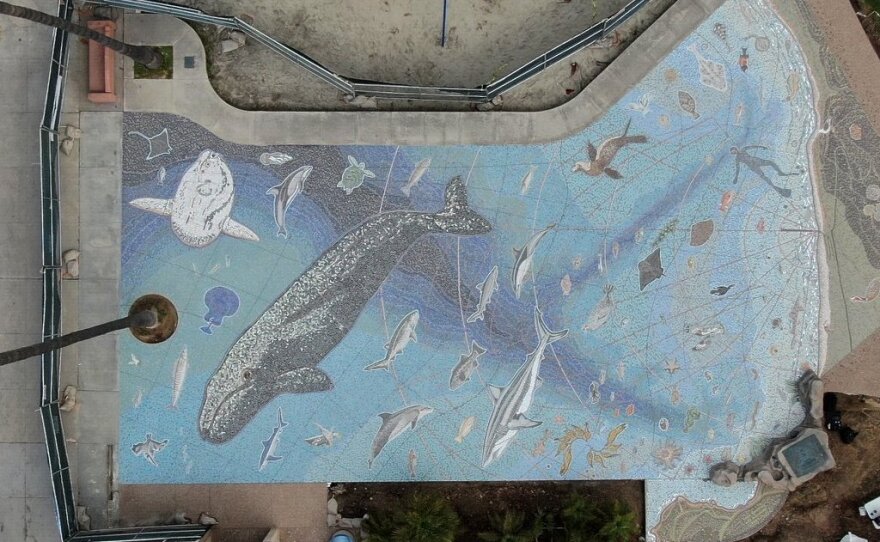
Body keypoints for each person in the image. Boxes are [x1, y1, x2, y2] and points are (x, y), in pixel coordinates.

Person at [730, 145, 803, 198]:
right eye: (733, 153)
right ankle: (778, 189)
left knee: (770, 163)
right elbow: (738, 168)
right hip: (753, 166)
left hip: (756, 160)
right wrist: (736, 177)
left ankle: (780, 172)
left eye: (734, 151)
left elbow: (752, 147)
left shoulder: (743, 149)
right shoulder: (737, 159)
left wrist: (761, 147)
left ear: (736, 149)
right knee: (764, 177)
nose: (735, 153)